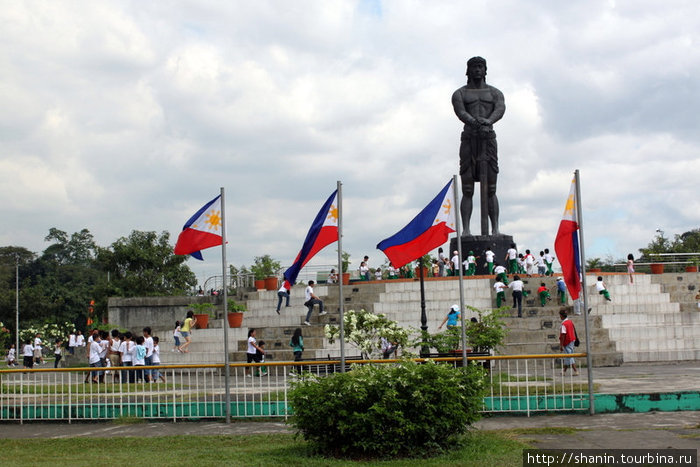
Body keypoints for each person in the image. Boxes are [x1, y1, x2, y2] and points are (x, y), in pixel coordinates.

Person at [452, 56, 505, 235]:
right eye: (473, 67)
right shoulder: (460, 93)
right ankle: (465, 230)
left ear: (485, 70)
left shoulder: (495, 93)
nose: (477, 70)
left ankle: (495, 229)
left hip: (488, 139)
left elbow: (500, 109)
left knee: (491, 187)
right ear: (468, 70)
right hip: (469, 139)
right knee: (467, 187)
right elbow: (460, 111)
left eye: (480, 66)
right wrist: (475, 122)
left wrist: (487, 121)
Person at [559, 309, 579, 376]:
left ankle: (575, 370)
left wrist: (561, 345)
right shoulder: (570, 322)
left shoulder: (563, 324)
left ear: (561, 316)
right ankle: (564, 371)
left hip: (567, 341)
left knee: (569, 356)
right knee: (568, 356)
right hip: (572, 340)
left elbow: (563, 335)